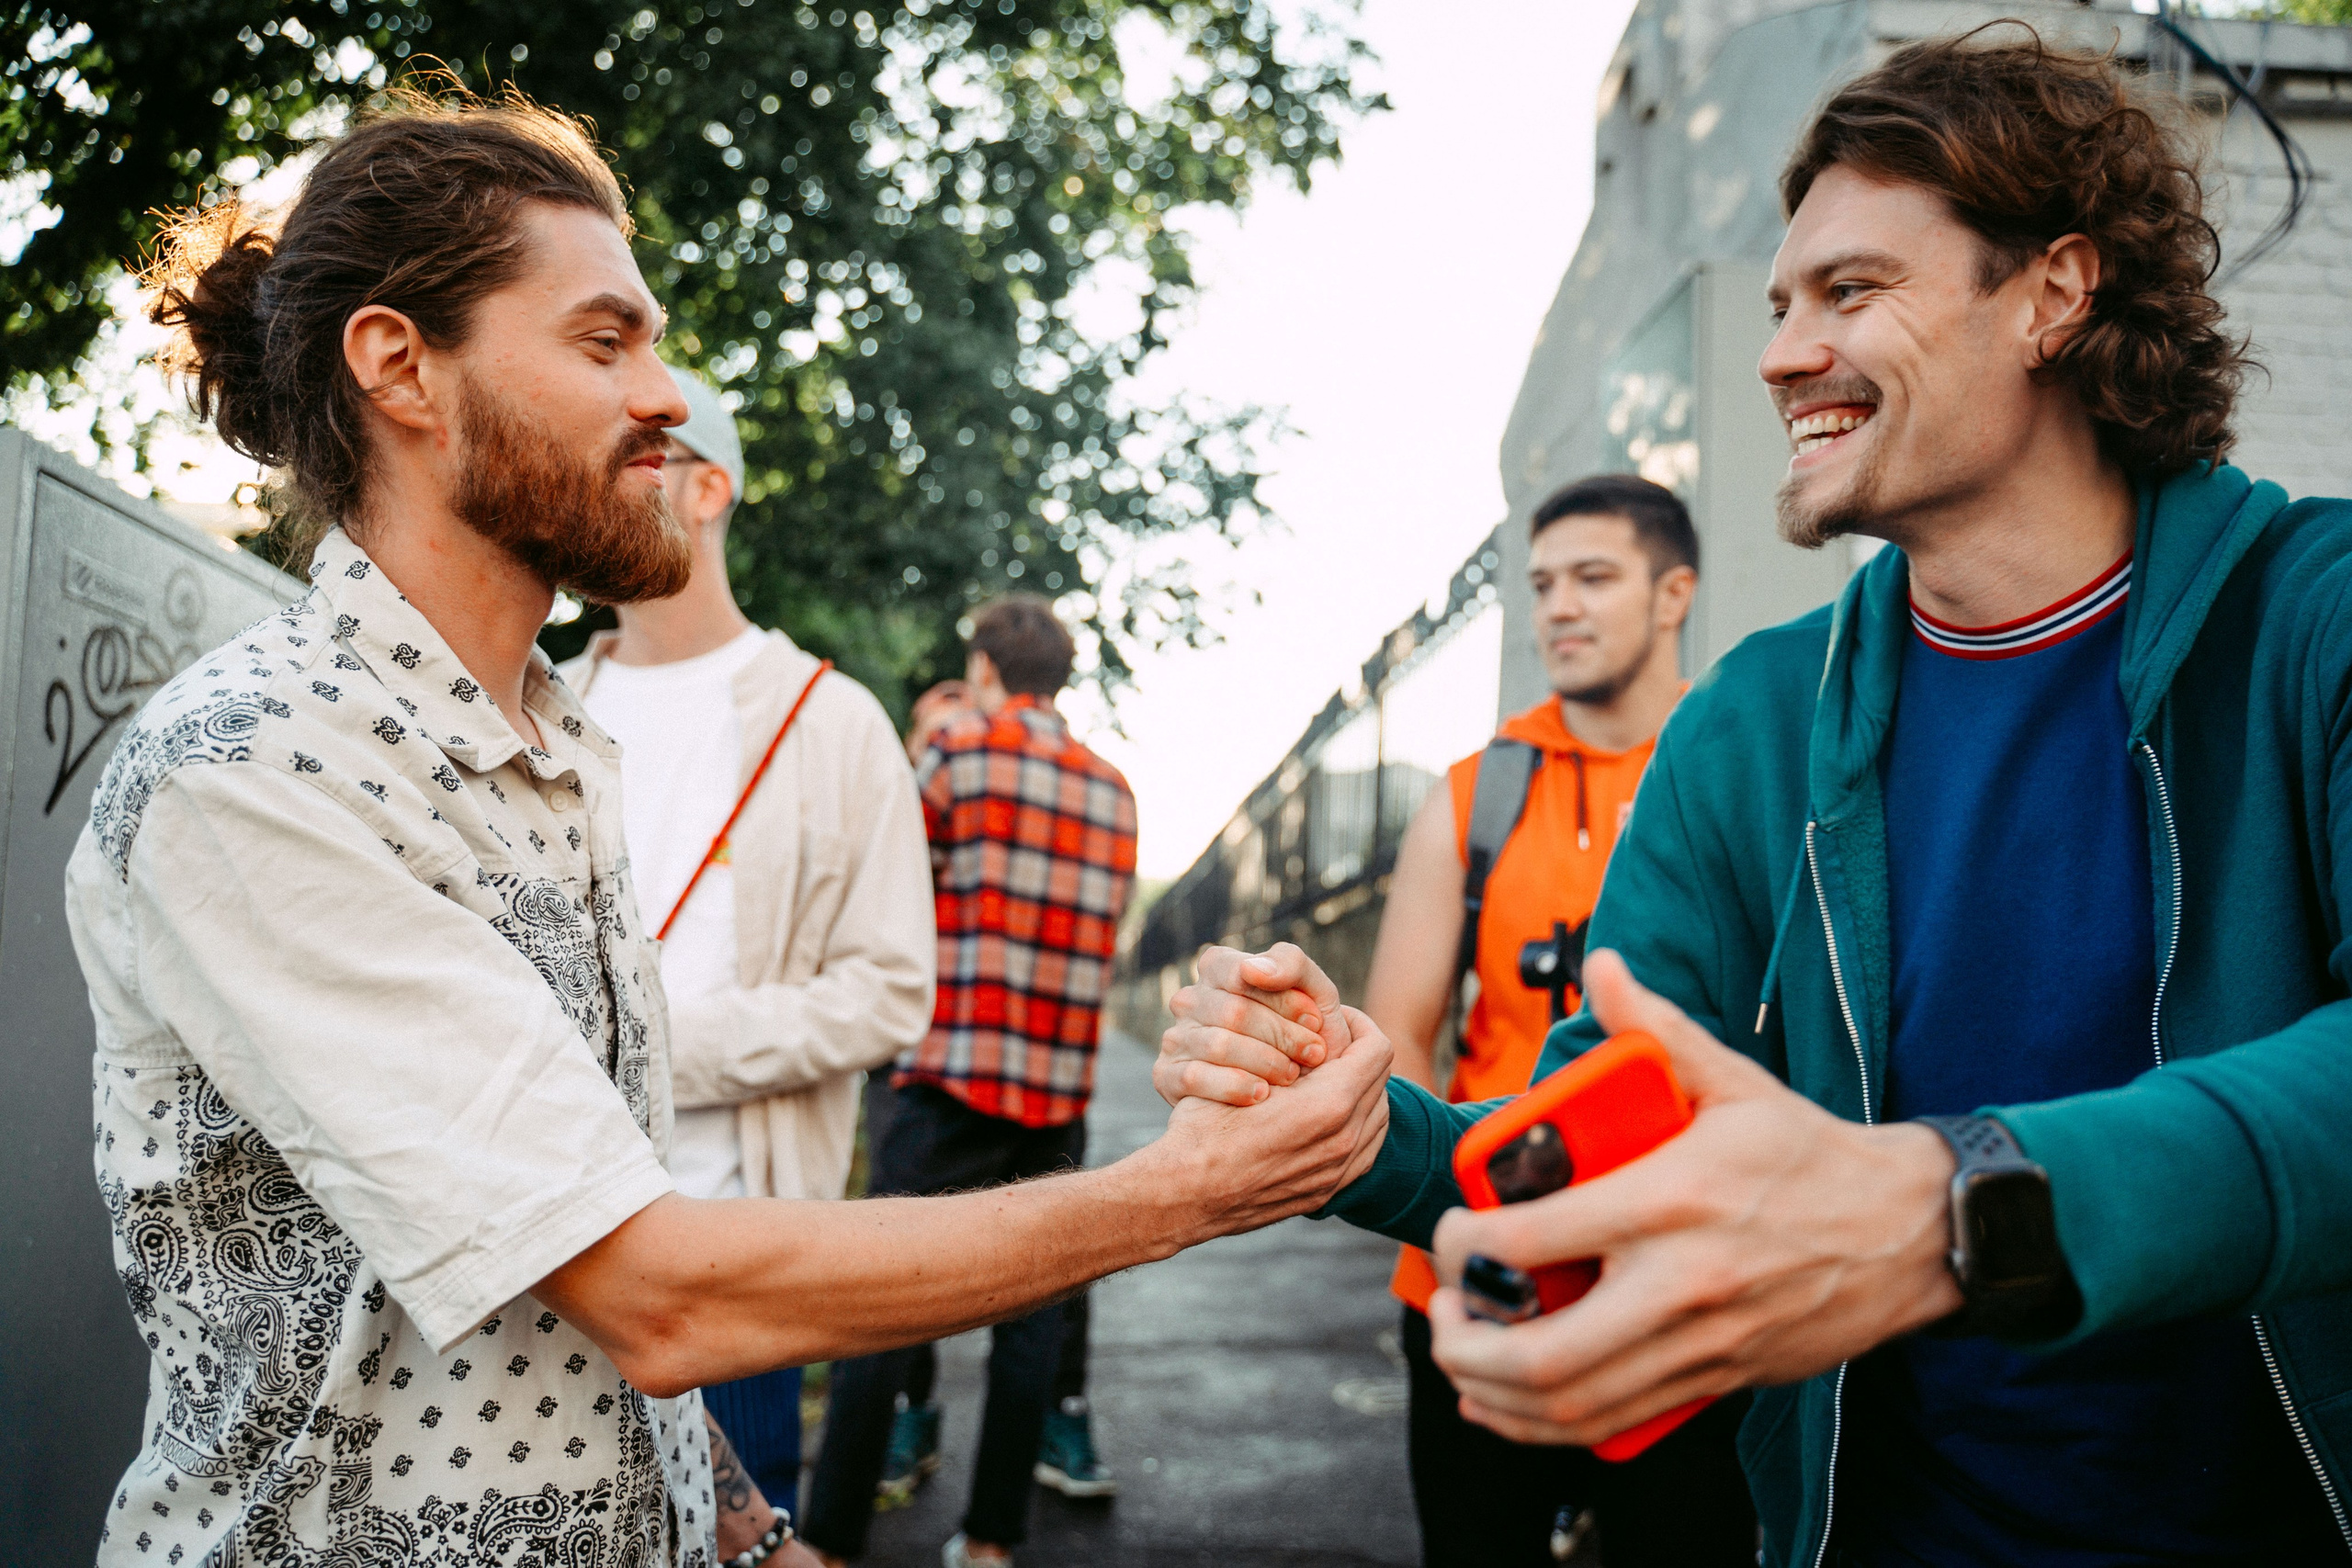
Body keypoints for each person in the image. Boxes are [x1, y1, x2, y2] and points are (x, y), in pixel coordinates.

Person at [73, 86, 1390, 1568]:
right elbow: (656, 1291)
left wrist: (750, 1525)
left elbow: (560, 1289)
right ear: (401, 366)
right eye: (604, 342)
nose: (666, 396)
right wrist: (1190, 1188)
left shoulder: (552, 748)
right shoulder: (256, 767)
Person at [1158, 27, 2352, 1567]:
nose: (1784, 354)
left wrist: (1949, 1207)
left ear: (2054, 292)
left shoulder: (2315, 616)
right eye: (1782, 305)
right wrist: (1358, 1127)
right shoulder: (1752, 721)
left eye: (1851, 290)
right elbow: (1602, 1133)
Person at [558, 364, 936, 1516]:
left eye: (631, 458)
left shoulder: (833, 720)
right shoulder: (535, 703)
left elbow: (889, 991)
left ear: (707, 488)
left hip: (733, 1262)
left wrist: (654, 1049)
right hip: (540, 1254)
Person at [1363, 474, 1751, 1567]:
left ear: (1673, 594)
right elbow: (1397, 1045)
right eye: (1540, 585)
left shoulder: (1735, 771)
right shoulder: (1475, 794)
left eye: (1592, 577)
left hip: (1684, 1277)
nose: (1558, 609)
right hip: (1487, 1271)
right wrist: (1452, 1228)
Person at [806, 596, 1137, 1568]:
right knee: (1033, 1318)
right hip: (1057, 1089)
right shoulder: (1115, 789)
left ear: (985, 670)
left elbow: (888, 895)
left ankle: (831, 1542)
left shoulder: (955, 757)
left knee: (880, 1303)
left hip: (947, 1074)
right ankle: (991, 1539)